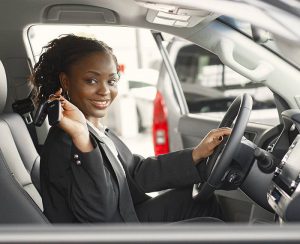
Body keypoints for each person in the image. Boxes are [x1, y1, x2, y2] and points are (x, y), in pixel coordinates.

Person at [30, 34, 231, 223]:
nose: (104, 91)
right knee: (211, 225)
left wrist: (197, 154)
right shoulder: (67, 140)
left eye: (111, 81)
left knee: (198, 200)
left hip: (127, 216)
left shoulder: (96, 128)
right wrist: (82, 138)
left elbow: (135, 172)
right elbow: (99, 217)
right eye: (91, 80)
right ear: (66, 81)